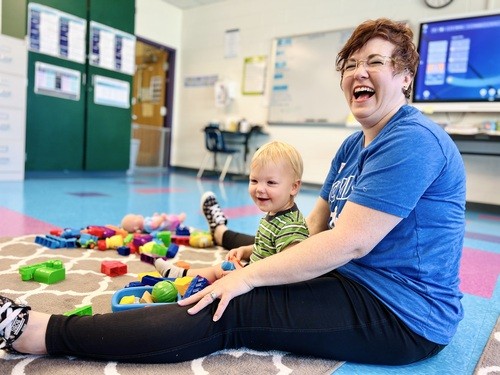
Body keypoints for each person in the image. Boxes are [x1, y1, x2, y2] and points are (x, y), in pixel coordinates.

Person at [0, 18, 465, 365]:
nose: (359, 72)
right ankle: (227, 241)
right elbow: (313, 229)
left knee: (232, 307)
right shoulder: (352, 144)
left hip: (404, 313)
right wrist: (263, 258)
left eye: (376, 62)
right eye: (351, 64)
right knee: (246, 272)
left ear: (405, 77)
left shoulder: (411, 139)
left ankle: (41, 332)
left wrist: (250, 277)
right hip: (355, 279)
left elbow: (351, 241)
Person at [154, 141, 309, 282]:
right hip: (256, 275)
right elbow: (267, 248)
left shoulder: (291, 227)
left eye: (271, 182)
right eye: (254, 180)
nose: (260, 189)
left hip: (263, 284)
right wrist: (245, 250)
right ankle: (181, 275)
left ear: (294, 187)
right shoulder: (276, 214)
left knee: (218, 272)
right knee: (223, 268)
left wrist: (244, 275)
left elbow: (287, 269)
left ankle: (179, 276)